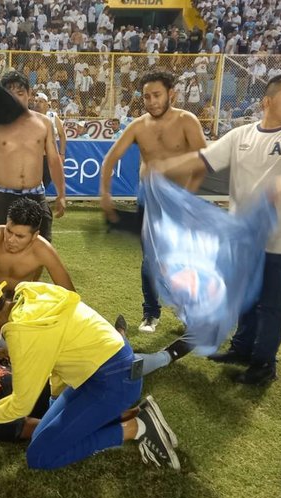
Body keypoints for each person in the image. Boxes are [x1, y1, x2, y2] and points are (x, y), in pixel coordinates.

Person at [151, 74, 281, 386]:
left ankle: (264, 363)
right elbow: (204, 159)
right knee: (245, 297)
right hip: (242, 236)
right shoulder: (241, 135)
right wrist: (164, 168)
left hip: (277, 238)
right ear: (267, 102)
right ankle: (241, 349)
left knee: (270, 302)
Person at [0, 280, 181, 471]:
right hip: (103, 369)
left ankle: (138, 427)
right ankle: (133, 414)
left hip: (112, 381)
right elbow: (55, 348)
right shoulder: (29, 292)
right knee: (40, 437)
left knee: (40, 457)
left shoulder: (22, 333)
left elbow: (20, 406)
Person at [101, 71, 207, 336]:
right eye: (147, 96)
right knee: (150, 260)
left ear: (172, 94)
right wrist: (105, 196)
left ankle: (188, 312)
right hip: (148, 200)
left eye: (157, 95)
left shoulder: (187, 121)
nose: (151, 101)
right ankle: (150, 313)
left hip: (178, 202)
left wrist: (187, 196)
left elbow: (205, 161)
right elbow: (110, 159)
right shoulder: (138, 126)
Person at [0, 71, 65, 243]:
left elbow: (53, 159)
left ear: (29, 94)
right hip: (3, 196)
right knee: (1, 250)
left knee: (40, 247)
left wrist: (62, 193)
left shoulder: (43, 123)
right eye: (9, 94)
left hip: (36, 195)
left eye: (20, 94)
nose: (15, 99)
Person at [0, 197, 74, 293]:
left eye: (20, 236)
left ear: (35, 235)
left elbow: (69, 292)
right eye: (9, 231)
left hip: (19, 298)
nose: (10, 239)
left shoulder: (44, 250)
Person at [31, 92, 66, 188]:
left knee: (45, 182)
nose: (37, 103)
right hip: (34, 157)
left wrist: (62, 154)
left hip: (49, 158)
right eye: (36, 101)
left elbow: (62, 135)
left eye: (41, 101)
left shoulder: (53, 117)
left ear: (47, 104)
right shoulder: (30, 117)